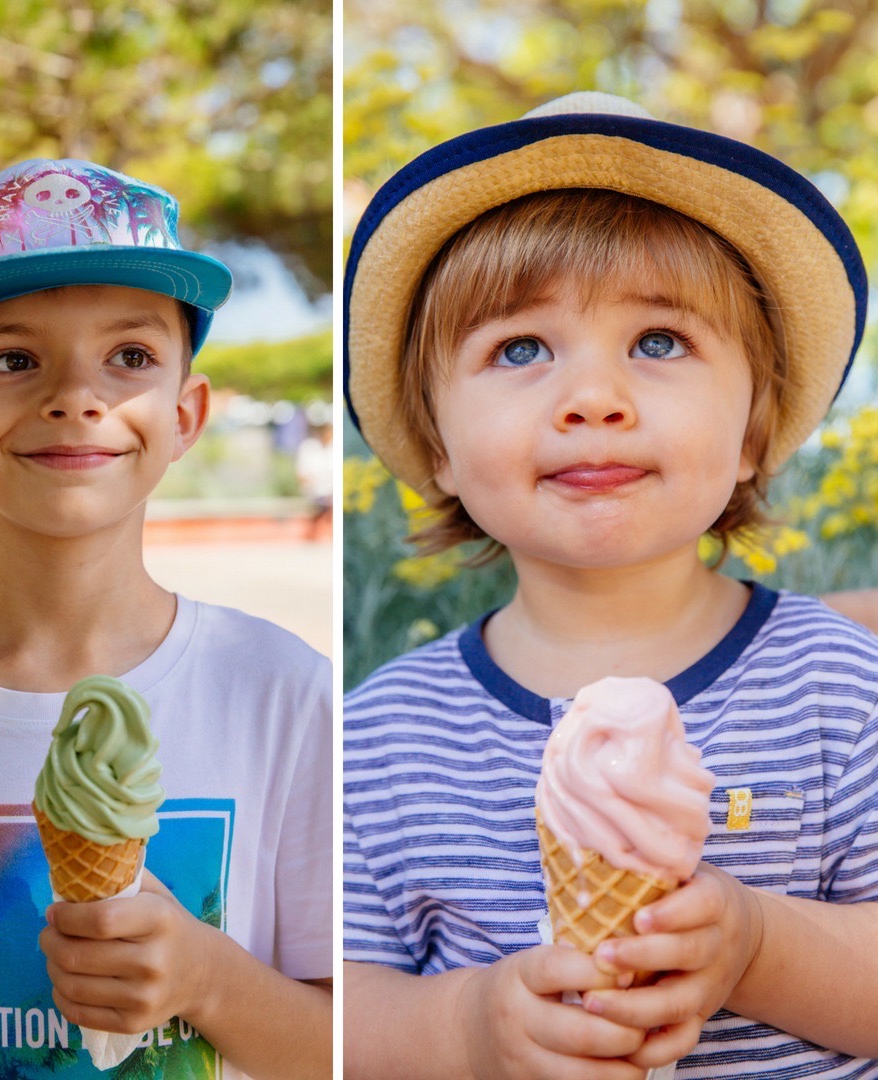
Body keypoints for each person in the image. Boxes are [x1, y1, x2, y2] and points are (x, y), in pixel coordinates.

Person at [343, 93, 878, 1079]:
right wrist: (463, 1029)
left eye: (660, 343)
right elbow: (339, 1012)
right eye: (521, 349)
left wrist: (761, 948)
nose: (594, 399)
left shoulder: (843, 688)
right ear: (437, 447)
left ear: (756, 426)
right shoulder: (382, 735)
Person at [0, 159, 332, 1080]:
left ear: (185, 413)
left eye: (130, 357)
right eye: (12, 359)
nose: (76, 397)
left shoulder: (282, 691)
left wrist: (208, 979)